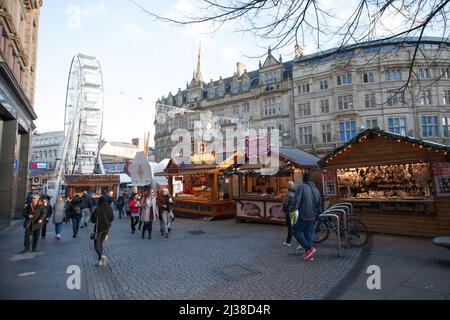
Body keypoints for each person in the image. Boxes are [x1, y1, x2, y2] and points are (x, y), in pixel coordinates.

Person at [294, 172, 322, 261]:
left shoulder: (301, 187)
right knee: (308, 234)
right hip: (313, 215)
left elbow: (296, 200)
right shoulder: (316, 189)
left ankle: (309, 248)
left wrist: (293, 210)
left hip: (303, 214)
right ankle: (309, 255)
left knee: (296, 231)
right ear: (311, 179)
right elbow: (319, 203)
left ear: (303, 179)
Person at [91, 196, 115, 267]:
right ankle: (99, 261)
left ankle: (101, 256)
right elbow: (112, 218)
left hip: (98, 228)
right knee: (100, 243)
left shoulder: (98, 208)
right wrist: (107, 222)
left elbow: (93, 220)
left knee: (96, 245)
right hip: (106, 228)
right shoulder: (109, 208)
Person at [282, 181, 296, 247]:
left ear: (288, 186)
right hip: (295, 211)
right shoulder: (296, 193)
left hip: (289, 212)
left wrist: (284, 210)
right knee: (295, 227)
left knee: (290, 227)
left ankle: (288, 242)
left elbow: (285, 204)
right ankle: (298, 243)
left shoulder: (288, 194)